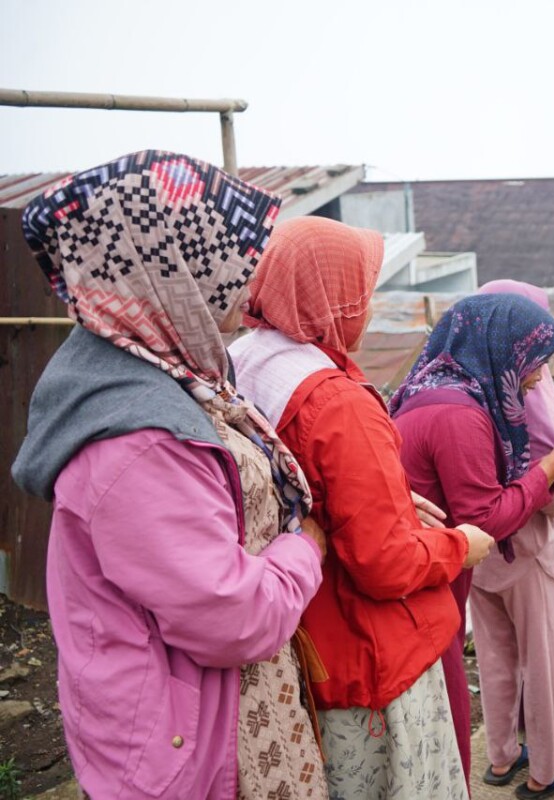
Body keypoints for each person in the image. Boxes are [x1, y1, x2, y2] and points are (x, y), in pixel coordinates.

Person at [11, 151, 327, 799]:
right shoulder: (141, 436)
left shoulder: (160, 368)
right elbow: (229, 617)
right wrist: (306, 549)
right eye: (229, 259)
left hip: (196, 715)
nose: (244, 280)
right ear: (173, 268)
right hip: (188, 748)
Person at [228, 216, 493, 799]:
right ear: (332, 297)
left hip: (304, 634)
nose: (367, 308)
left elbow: (309, 494)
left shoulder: (244, 361)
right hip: (368, 658)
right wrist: (460, 546)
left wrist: (390, 495)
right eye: (362, 292)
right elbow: (384, 562)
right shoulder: (337, 402)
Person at [391, 292, 554, 799]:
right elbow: (486, 519)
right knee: (542, 661)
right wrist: (553, 470)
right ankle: (551, 767)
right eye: (533, 363)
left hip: (451, 568)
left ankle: (501, 757)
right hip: (478, 559)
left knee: (494, 660)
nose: (538, 378)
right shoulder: (459, 411)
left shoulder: (432, 387)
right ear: (500, 350)